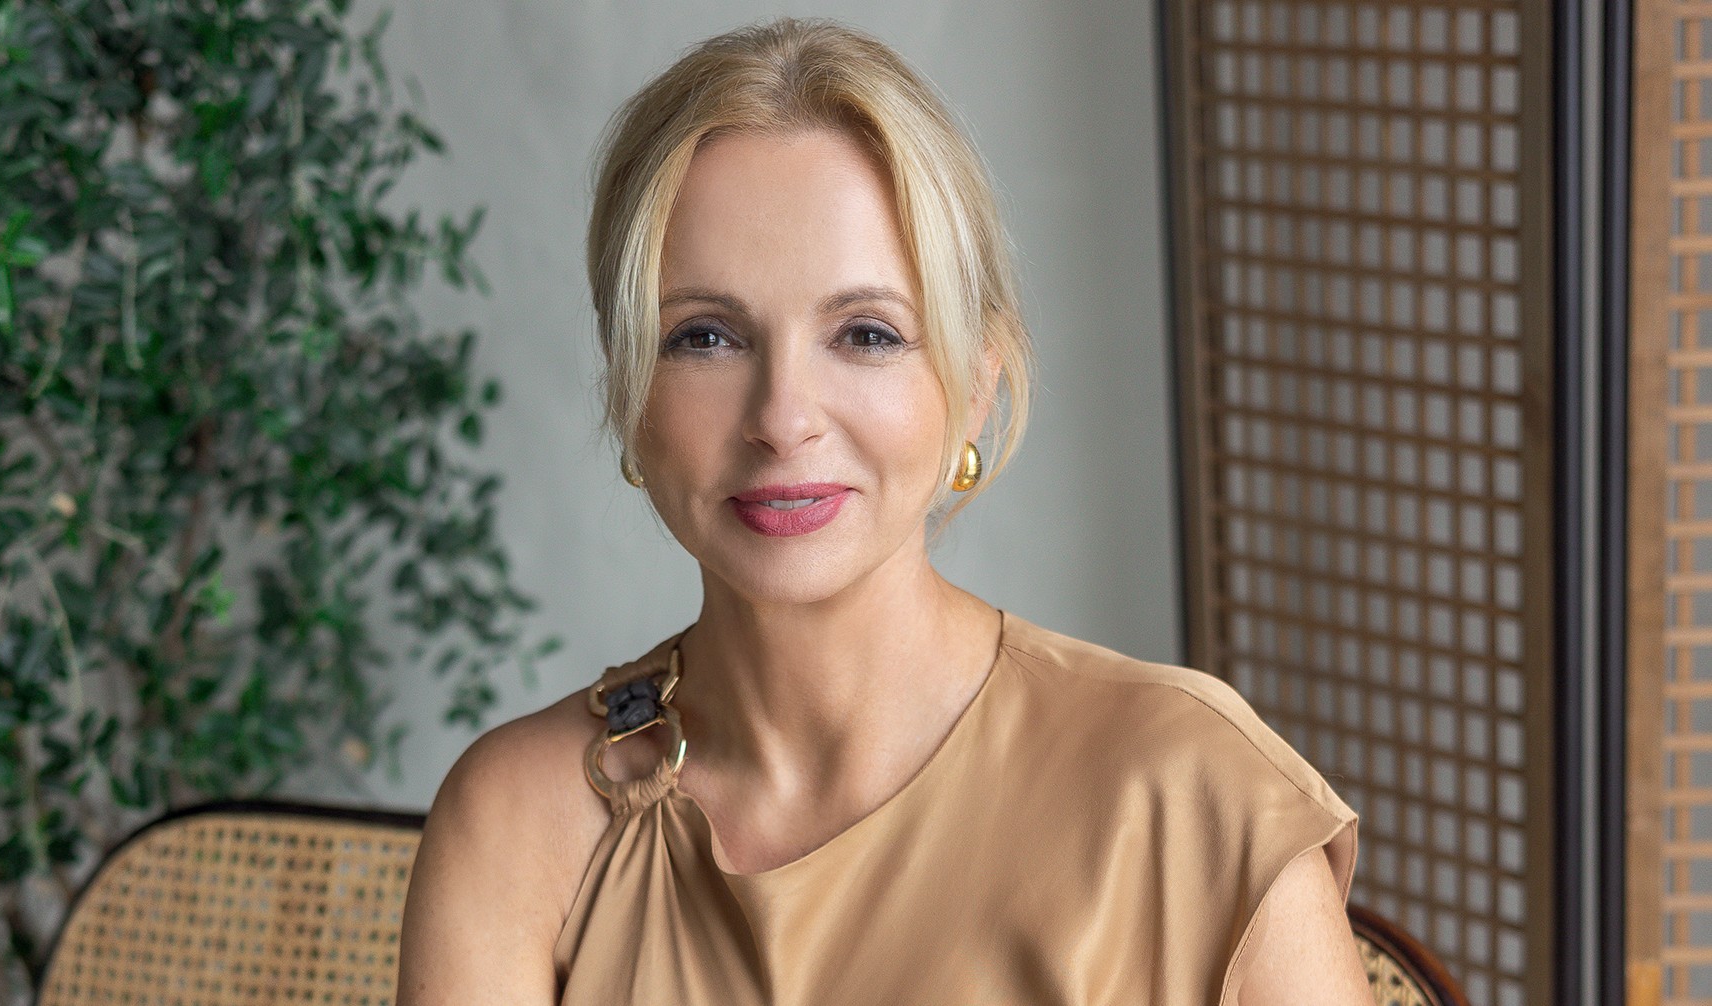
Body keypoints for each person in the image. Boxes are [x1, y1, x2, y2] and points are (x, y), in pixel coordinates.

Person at [397, 17, 1370, 1006]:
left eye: (866, 333)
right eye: (705, 337)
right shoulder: (521, 821)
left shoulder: (1195, 801)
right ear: (629, 392)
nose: (783, 419)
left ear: (977, 384)